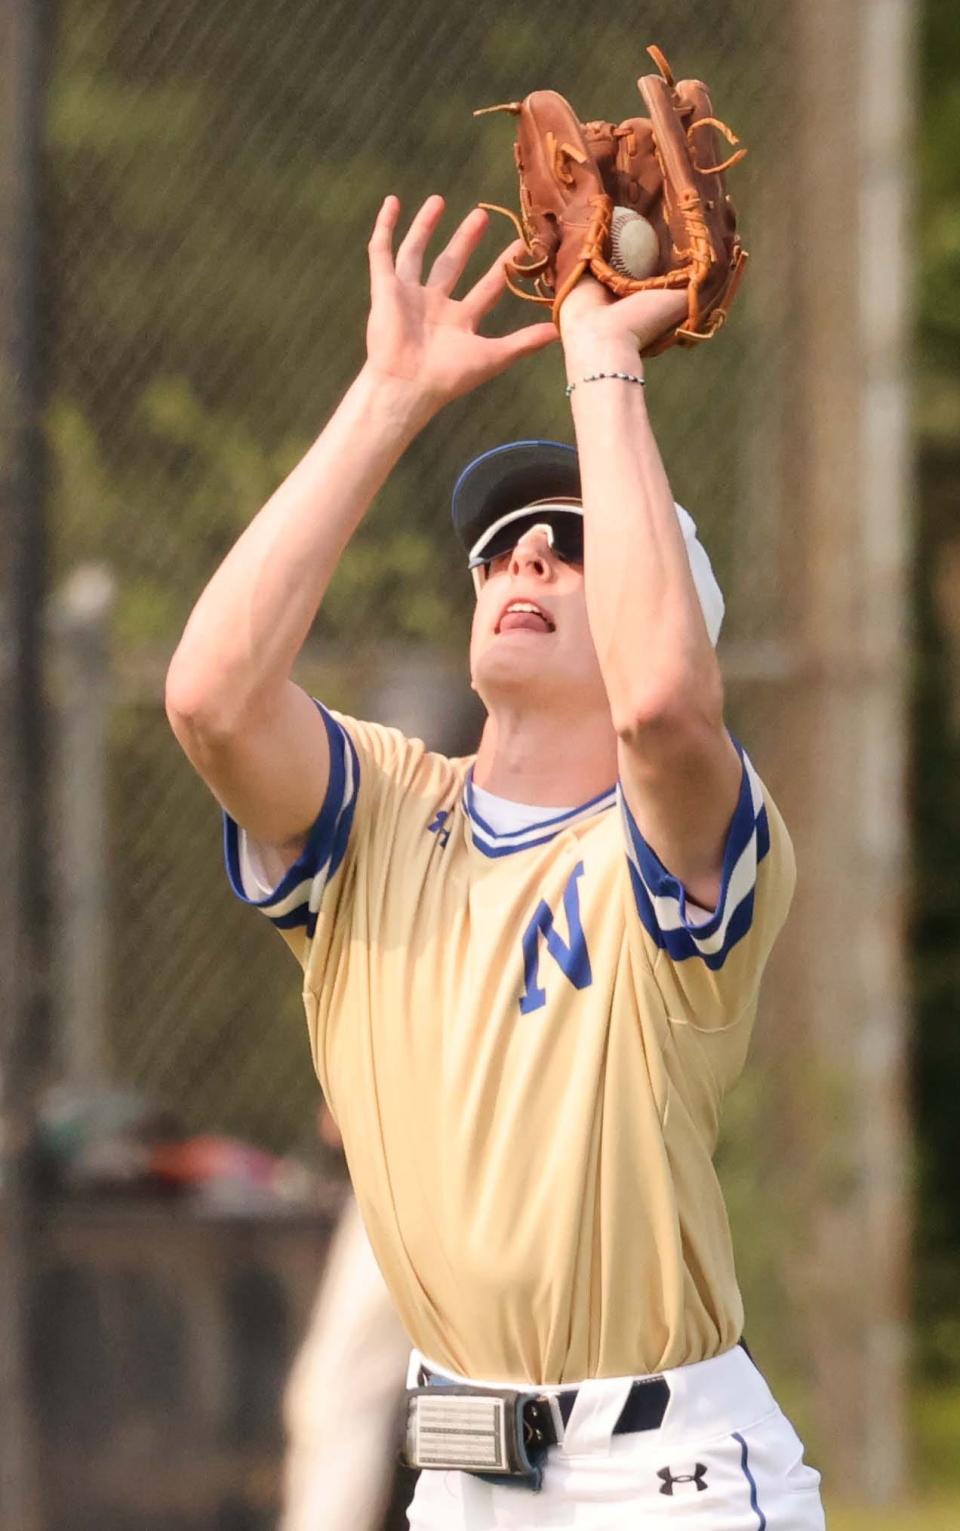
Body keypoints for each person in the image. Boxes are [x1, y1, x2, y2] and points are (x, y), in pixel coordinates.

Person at [166, 193, 826, 1528]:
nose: (527, 548)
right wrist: (390, 394)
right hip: (468, 1476)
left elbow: (662, 709)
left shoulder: (680, 847)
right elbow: (214, 701)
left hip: (668, 1481)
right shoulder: (380, 812)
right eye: (504, 541)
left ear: (665, 618)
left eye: (574, 542)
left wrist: (604, 361)